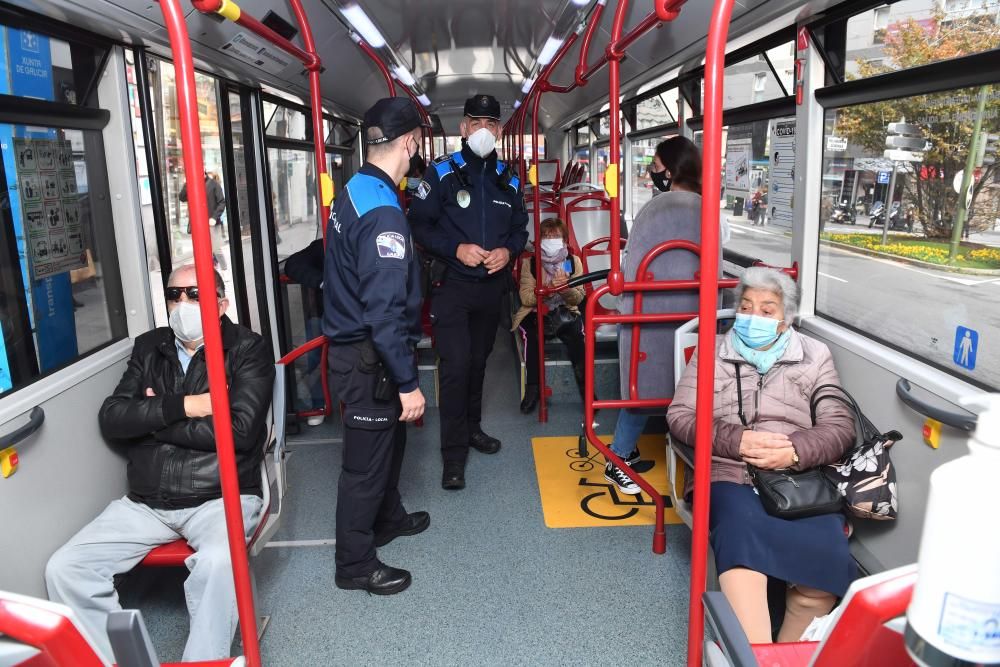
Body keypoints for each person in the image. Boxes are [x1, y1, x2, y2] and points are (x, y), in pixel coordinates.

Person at [45, 264, 275, 662]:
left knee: (220, 562)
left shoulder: (247, 349)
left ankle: (203, 661)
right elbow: (113, 417)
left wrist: (152, 419)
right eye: (175, 295)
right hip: (147, 501)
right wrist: (184, 407)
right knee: (65, 567)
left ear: (220, 302)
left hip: (219, 495)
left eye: (195, 294)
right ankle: (114, 658)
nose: (182, 303)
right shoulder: (150, 347)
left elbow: (239, 433)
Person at [667, 267, 857, 644]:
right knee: (742, 552)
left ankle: (784, 654)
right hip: (729, 471)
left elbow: (840, 426)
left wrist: (795, 451)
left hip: (798, 480)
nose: (754, 317)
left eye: (767, 310)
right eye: (747, 306)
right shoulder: (712, 350)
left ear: (786, 319)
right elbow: (680, 417)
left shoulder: (815, 355)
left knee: (821, 574)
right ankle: (755, 654)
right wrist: (737, 441)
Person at [324, 97, 429, 595]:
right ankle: (355, 564)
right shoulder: (384, 212)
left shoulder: (355, 189)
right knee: (364, 467)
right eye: (417, 141)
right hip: (369, 356)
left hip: (366, 352)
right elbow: (384, 311)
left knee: (391, 444)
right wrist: (409, 384)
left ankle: (388, 519)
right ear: (409, 141)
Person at [408, 93, 528, 490]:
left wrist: (508, 251)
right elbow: (419, 226)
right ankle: (453, 455)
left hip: (491, 288)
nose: (483, 130)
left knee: (479, 364)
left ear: (499, 130)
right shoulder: (441, 174)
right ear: (463, 128)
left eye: (491, 123)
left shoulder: (508, 178)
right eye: (475, 122)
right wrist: (454, 247)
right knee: (456, 369)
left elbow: (519, 229)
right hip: (452, 286)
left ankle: (473, 428)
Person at [603, 136, 719, 495]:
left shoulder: (654, 212)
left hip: (647, 313)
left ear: (670, 171)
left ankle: (618, 457)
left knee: (640, 390)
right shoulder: (707, 208)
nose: (653, 174)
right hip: (695, 316)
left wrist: (622, 307)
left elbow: (632, 267)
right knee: (693, 390)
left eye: (655, 168)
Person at [513, 217, 586, 414]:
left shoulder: (572, 262)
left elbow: (578, 297)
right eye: (546, 236)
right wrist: (547, 289)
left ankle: (587, 392)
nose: (551, 240)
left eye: (556, 237)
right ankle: (533, 388)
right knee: (532, 336)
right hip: (537, 312)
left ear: (564, 240)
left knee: (578, 338)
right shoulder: (531, 263)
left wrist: (564, 289)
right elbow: (526, 298)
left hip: (564, 311)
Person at [284, 238, 326, 426]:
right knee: (314, 356)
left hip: (363, 316)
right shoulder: (325, 243)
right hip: (325, 314)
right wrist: (324, 282)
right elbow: (293, 265)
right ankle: (319, 404)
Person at [180, 171, 228, 269]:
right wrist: (186, 184)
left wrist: (214, 217)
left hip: (211, 223)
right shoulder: (192, 184)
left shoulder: (214, 184)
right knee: (201, 249)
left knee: (216, 248)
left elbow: (222, 202)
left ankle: (224, 269)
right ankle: (208, 268)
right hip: (197, 222)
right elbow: (182, 197)